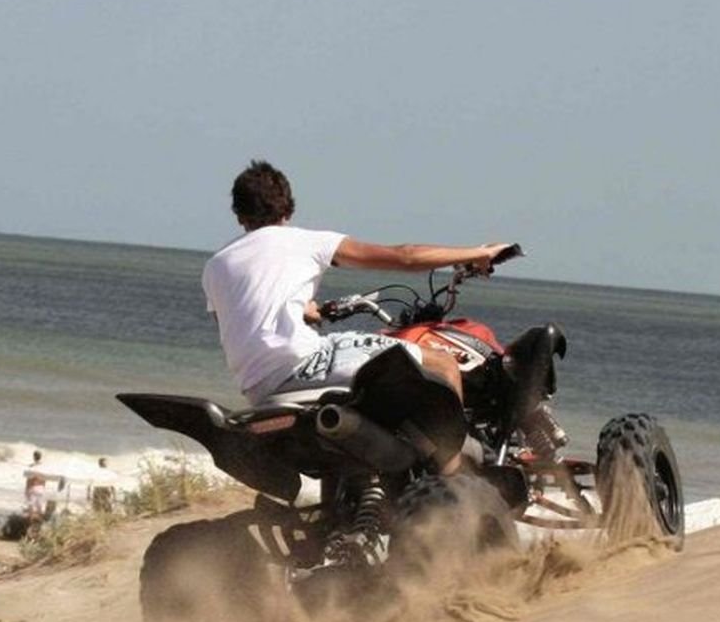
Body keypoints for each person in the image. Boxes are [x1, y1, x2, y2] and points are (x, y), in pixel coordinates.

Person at [202, 160, 512, 449]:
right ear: (287, 209)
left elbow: (242, 323)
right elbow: (406, 257)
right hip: (306, 364)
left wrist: (304, 310)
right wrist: (477, 254)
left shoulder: (216, 265)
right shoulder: (306, 241)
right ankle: (457, 474)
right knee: (442, 364)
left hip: (257, 388)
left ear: (239, 214)